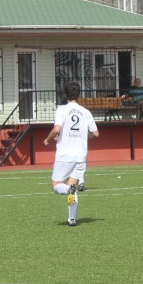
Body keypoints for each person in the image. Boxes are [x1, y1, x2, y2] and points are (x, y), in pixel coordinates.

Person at [43, 80, 99, 227]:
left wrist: (48, 140)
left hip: (65, 155)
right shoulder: (85, 112)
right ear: (79, 94)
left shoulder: (62, 109)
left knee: (56, 186)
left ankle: (68, 189)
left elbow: (57, 129)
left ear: (65, 95)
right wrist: (84, 134)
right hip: (80, 156)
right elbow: (95, 133)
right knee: (73, 188)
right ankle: (72, 219)